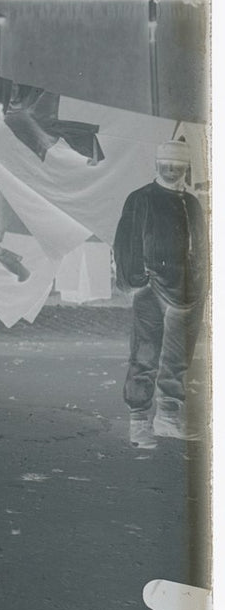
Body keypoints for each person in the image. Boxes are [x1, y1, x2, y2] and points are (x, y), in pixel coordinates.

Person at [113, 138, 207, 447]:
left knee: (178, 359)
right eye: (166, 164)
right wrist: (136, 279)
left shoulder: (193, 203)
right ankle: (139, 422)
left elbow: (203, 247)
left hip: (188, 290)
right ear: (157, 165)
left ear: (186, 167)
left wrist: (202, 282)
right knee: (145, 354)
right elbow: (125, 242)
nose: (171, 169)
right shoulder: (140, 198)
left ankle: (168, 418)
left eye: (177, 165)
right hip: (151, 287)